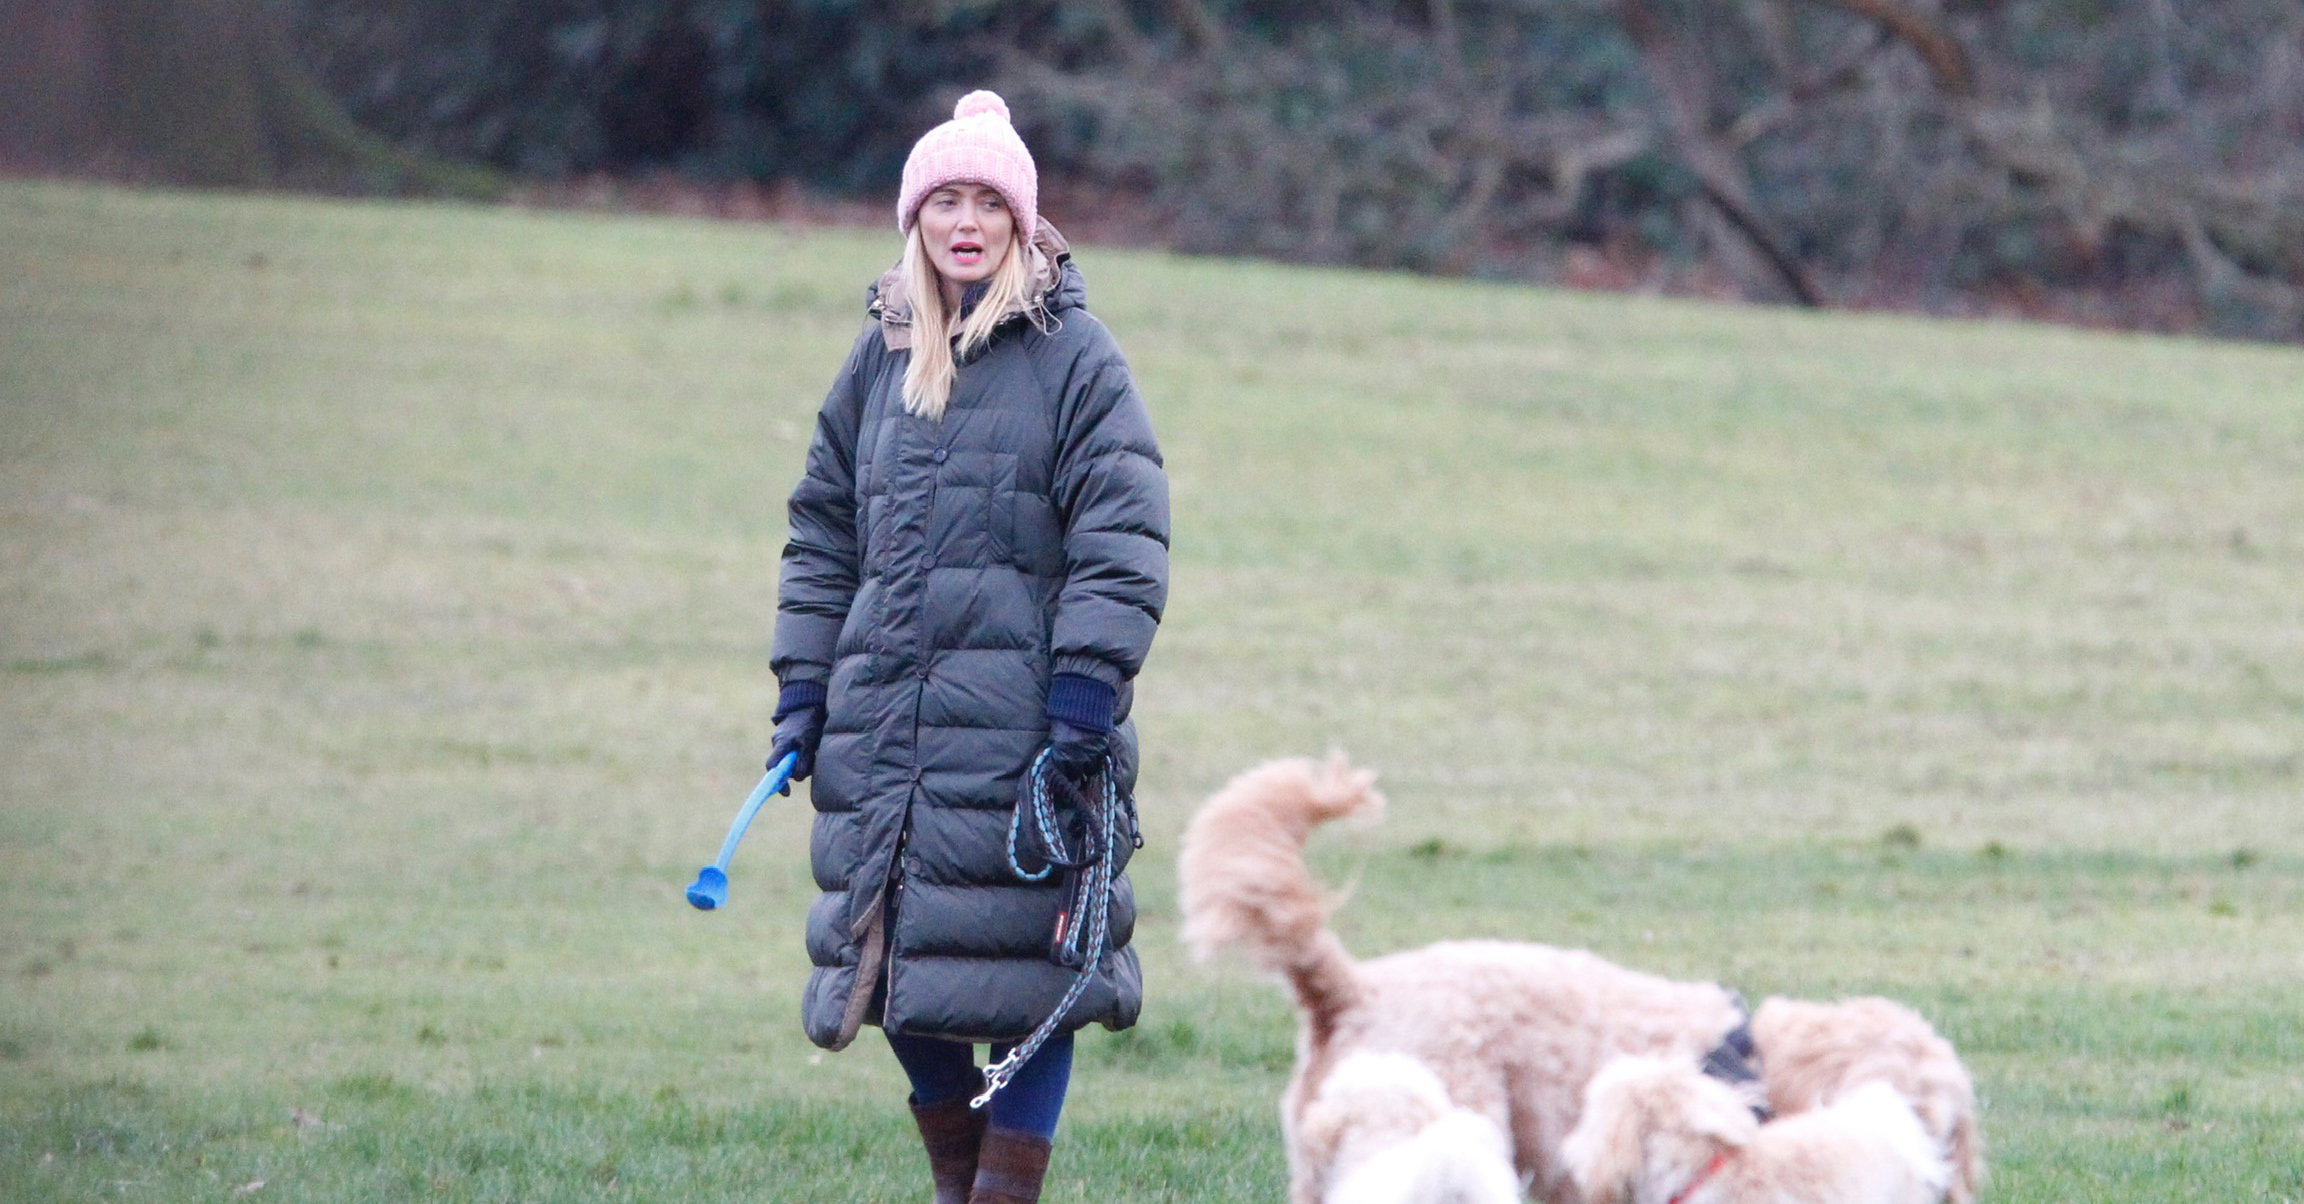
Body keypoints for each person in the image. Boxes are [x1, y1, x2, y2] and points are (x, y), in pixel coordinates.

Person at [765, 90, 1170, 1204]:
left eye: (989, 201)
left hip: (1033, 733)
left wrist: (1086, 690)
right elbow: (820, 527)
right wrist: (804, 687)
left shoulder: (1078, 359)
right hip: (884, 735)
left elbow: (1123, 534)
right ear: (916, 218)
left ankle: (1000, 1195)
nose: (966, 220)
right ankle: (965, 1184)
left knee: (1029, 972)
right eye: (946, 198)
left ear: (1021, 223)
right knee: (890, 973)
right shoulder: (877, 360)